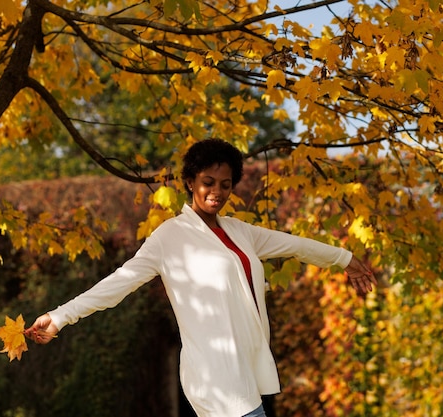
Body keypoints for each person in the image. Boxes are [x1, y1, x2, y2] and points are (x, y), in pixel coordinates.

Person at [25, 138, 376, 417]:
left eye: (225, 184)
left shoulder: (240, 231)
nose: (217, 192)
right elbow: (119, 282)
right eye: (208, 182)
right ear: (190, 181)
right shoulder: (168, 237)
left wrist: (345, 259)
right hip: (215, 376)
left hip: (247, 367)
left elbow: (295, 245)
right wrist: (60, 316)